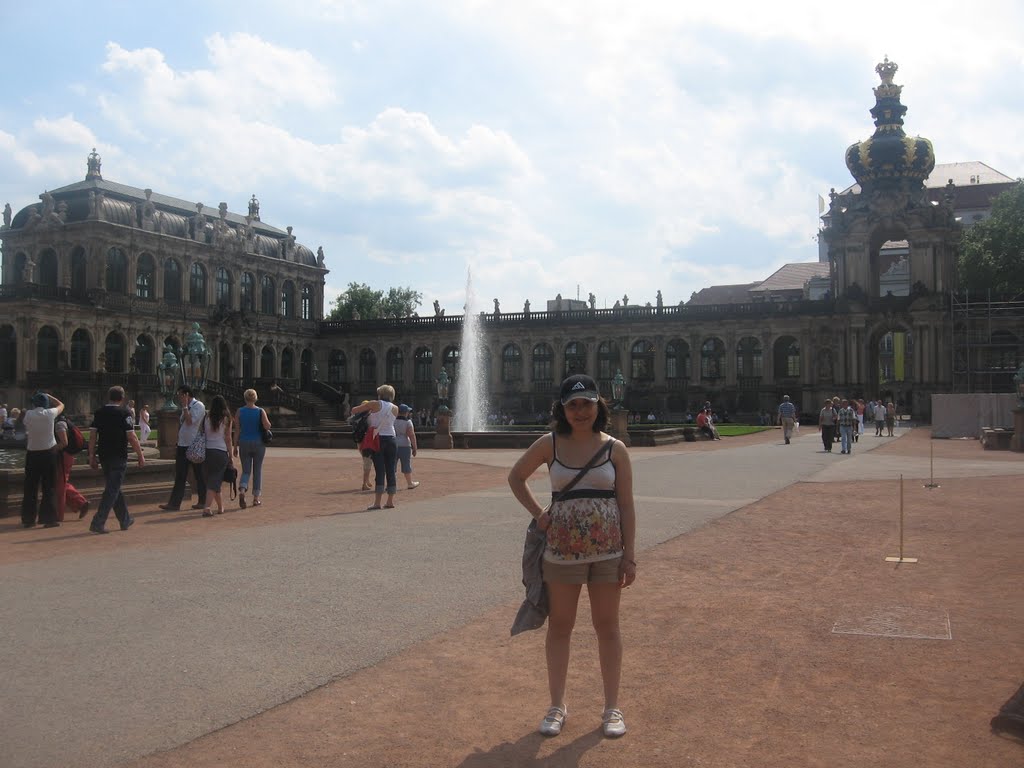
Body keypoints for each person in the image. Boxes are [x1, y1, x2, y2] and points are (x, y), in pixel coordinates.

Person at [508, 374, 637, 739]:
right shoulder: (550, 444)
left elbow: (626, 505)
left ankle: (611, 708)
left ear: (599, 405)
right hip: (562, 553)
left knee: (607, 627)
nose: (580, 411)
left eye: (587, 404)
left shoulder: (615, 448)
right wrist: (539, 513)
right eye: (573, 405)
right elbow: (516, 477)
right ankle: (556, 705)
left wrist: (630, 556)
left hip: (608, 552)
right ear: (562, 409)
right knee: (560, 627)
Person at [87, 386, 145, 534]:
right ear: (122, 398)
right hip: (118, 455)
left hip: (104, 455)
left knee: (114, 488)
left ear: (109, 397)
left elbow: (92, 437)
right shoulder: (124, 413)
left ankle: (125, 519)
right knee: (112, 490)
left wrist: (91, 456)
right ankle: (98, 522)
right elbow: (131, 436)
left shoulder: (99, 412)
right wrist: (140, 454)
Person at [351, 385, 400, 510]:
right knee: (391, 469)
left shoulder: (375, 404)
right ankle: (390, 501)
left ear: (380, 394)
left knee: (380, 470)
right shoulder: (395, 408)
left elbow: (354, 410)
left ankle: (377, 502)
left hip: (378, 439)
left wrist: (367, 408)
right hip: (392, 439)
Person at [160, 385, 207, 512]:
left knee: (199, 474)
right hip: (182, 445)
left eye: (180, 395)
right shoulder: (185, 407)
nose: (179, 397)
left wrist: (185, 406)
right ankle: (174, 503)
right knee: (180, 475)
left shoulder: (198, 406)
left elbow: (190, 421)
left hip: (193, 445)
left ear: (186, 395)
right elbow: (183, 424)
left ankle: (203, 501)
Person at [22, 392, 64, 528]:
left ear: (34, 404)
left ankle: (28, 519)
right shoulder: (50, 413)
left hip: (32, 453)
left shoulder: (28, 414)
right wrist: (49, 396)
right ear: (46, 404)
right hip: (48, 453)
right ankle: (48, 518)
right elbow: (61, 405)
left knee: (30, 487)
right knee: (49, 487)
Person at [233, 389, 271, 509]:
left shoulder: (239, 411)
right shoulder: (260, 411)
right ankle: (256, 498)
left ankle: (242, 489)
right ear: (255, 398)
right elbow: (267, 426)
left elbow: (237, 430)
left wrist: (235, 446)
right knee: (257, 470)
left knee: (246, 470)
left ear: (245, 398)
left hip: (244, 442)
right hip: (258, 442)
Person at [201, 394, 233, 517]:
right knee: (215, 480)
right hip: (220, 451)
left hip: (208, 450)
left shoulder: (207, 417)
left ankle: (220, 506)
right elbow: (228, 438)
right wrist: (230, 454)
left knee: (213, 479)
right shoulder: (226, 418)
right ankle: (207, 507)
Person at [54, 412, 89, 522]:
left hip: (64, 456)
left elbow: (64, 443)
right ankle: (80, 503)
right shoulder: (64, 421)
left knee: (60, 485)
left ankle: (58, 516)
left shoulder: (59, 424)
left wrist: (51, 450)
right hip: (67, 455)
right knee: (60, 483)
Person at [394, 404, 420, 490]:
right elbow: (411, 435)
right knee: (406, 464)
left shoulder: (393, 420)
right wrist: (415, 447)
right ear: (406, 412)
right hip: (405, 445)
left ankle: (391, 483)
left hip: (393, 444)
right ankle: (409, 483)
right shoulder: (408, 422)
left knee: (392, 465)